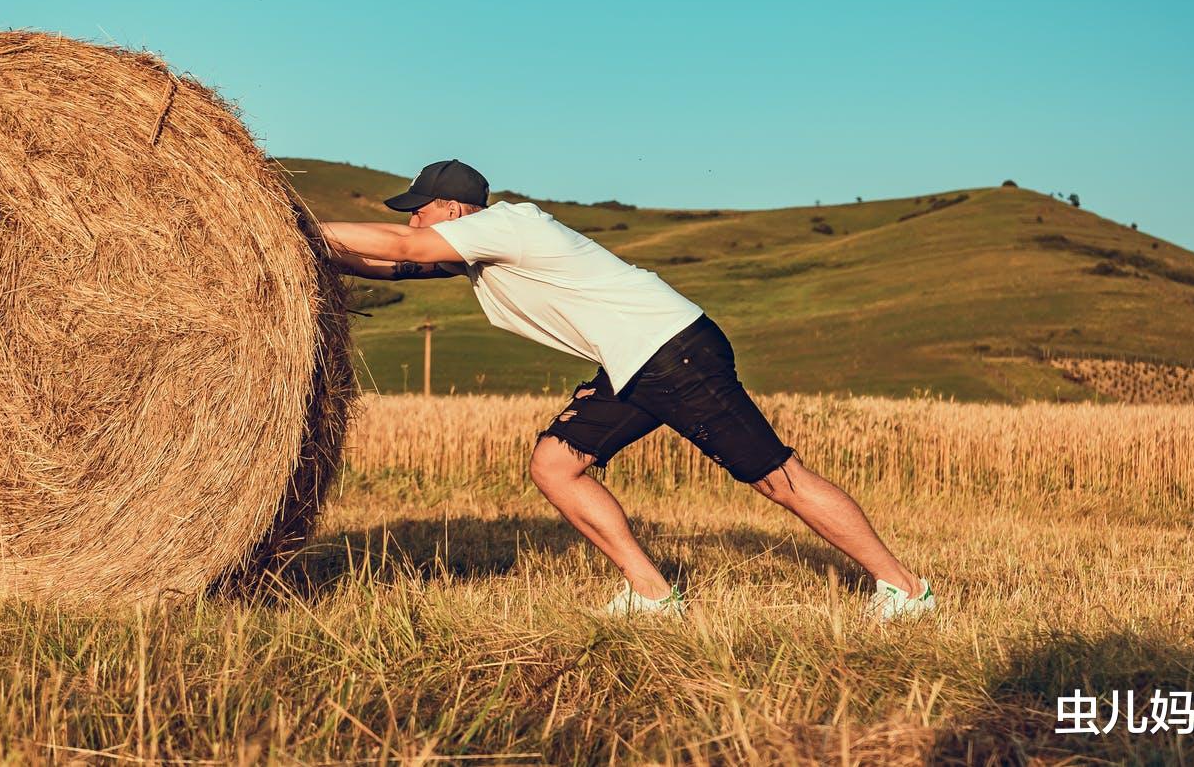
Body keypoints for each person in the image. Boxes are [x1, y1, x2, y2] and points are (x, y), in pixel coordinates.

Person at [319, 158, 936, 621]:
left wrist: (292, 220)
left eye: (419, 208)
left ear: (453, 209)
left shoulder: (509, 226)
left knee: (777, 477)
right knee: (556, 465)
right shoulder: (484, 251)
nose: (411, 217)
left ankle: (905, 589)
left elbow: (401, 245)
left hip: (673, 349)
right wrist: (303, 249)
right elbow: (395, 263)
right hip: (633, 361)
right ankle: (652, 593)